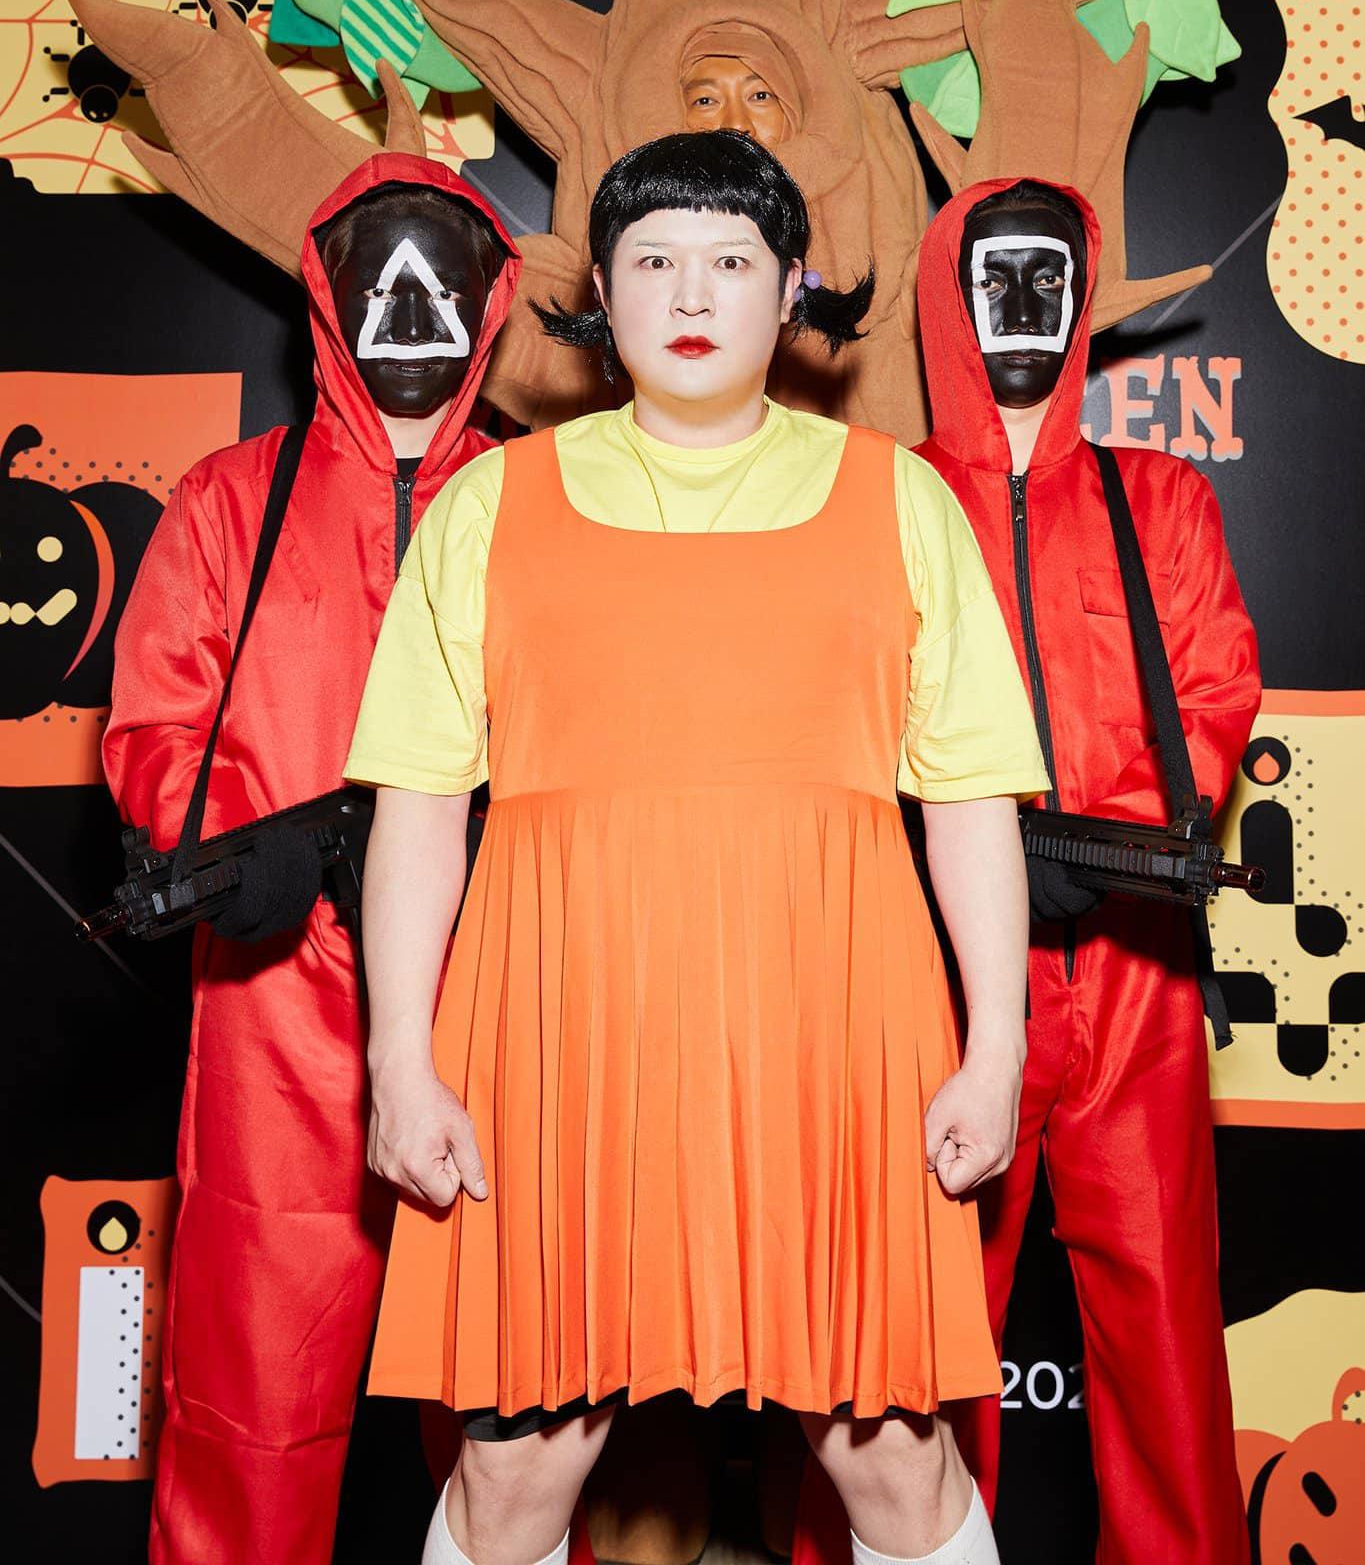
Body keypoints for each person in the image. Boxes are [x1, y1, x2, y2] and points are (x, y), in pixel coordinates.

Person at [345, 130, 1050, 1565]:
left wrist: (996, 1047)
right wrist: (399, 1062)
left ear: (789, 292)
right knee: (511, 1474)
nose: (690, 292)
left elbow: (972, 799)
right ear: (600, 293)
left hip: (832, 1027)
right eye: (653, 259)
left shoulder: (903, 499)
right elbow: (416, 804)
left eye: (730, 260)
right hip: (556, 1026)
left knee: (896, 1464)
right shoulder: (487, 503)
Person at [797, 173, 1259, 1565]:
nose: (1020, 301)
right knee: (902, 1358)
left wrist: (1107, 840)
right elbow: (828, 723)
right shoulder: (874, 500)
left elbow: (1213, 694)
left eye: (1048, 274)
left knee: (1165, 1346)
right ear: (949, 293)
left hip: (1131, 971)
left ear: (1080, 297)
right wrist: (970, 857)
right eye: (992, 272)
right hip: (930, 979)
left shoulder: (1158, 499)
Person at [103, 153, 521, 1565]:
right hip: (277, 1005)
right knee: (252, 1410)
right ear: (327, 300)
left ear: (491, 302)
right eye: (376, 281)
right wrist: (244, 844)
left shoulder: (541, 503)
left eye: (439, 283)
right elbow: (154, 726)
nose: (408, 311)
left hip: (501, 997)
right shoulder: (232, 499)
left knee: (522, 1426)